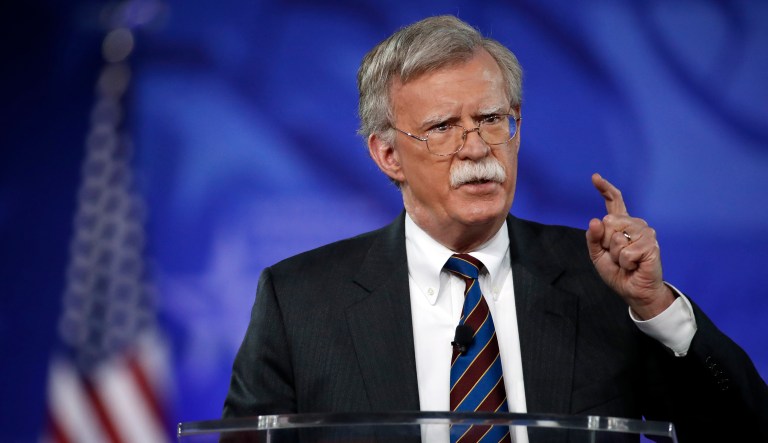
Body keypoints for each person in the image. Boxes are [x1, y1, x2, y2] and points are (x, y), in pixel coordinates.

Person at [223, 15, 767, 441]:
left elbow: (743, 430)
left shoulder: (602, 282)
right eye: (443, 127)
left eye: (491, 119)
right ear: (388, 155)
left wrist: (655, 308)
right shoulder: (299, 302)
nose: (478, 148)